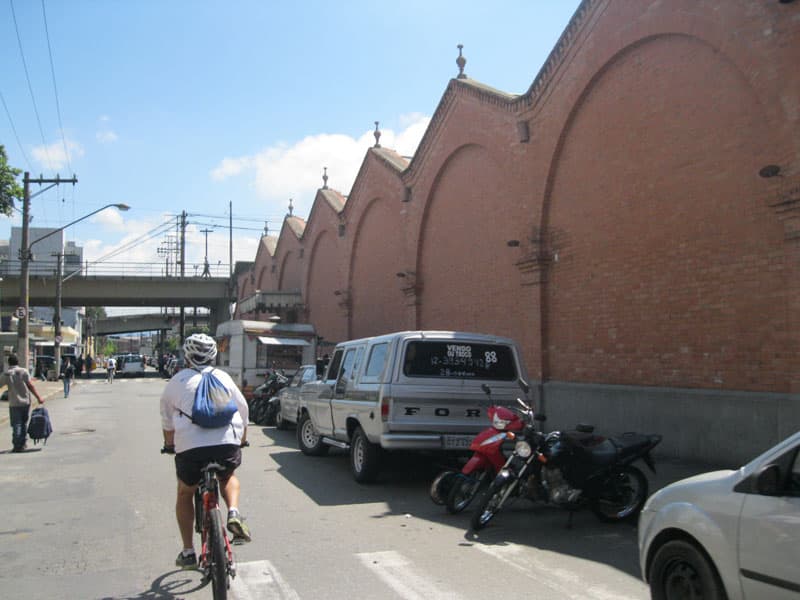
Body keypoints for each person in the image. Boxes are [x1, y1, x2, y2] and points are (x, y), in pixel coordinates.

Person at [160, 334, 251, 569]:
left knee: (185, 492)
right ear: (213, 356)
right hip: (226, 443)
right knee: (227, 476)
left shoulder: (177, 381)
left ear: (187, 356)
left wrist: (169, 445)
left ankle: (188, 552)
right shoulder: (223, 377)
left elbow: (167, 421)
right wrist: (242, 440)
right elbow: (243, 409)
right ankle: (233, 512)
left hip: (191, 449)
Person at [1, 354, 44, 452]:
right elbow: (30, 385)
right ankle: (22, 443)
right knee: (23, 423)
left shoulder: (6, 374)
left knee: (16, 424)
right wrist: (38, 397)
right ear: (18, 362)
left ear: (9, 363)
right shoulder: (23, 371)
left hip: (14, 402)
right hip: (25, 401)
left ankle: (17, 445)